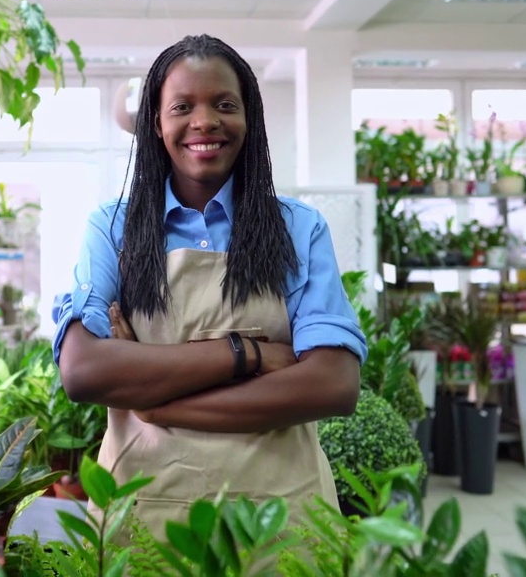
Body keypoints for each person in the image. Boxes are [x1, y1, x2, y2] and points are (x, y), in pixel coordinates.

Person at [51, 33, 367, 538]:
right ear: (156, 123)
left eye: (225, 104)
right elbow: (84, 370)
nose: (205, 121)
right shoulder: (113, 229)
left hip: (280, 522)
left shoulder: (298, 229)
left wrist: (155, 404)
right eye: (182, 106)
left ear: (249, 119)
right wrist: (248, 354)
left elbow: (333, 384)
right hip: (144, 516)